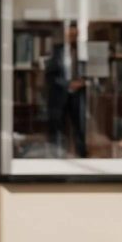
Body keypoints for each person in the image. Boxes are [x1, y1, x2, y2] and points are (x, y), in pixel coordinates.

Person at [44, 20, 89, 158]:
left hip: (79, 96)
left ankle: (82, 157)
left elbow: (91, 72)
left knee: (80, 128)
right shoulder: (57, 51)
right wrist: (67, 84)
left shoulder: (83, 51)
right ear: (66, 34)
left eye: (75, 34)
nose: (72, 37)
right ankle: (59, 157)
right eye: (70, 33)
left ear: (78, 35)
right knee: (59, 128)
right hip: (60, 95)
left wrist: (84, 82)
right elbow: (50, 74)